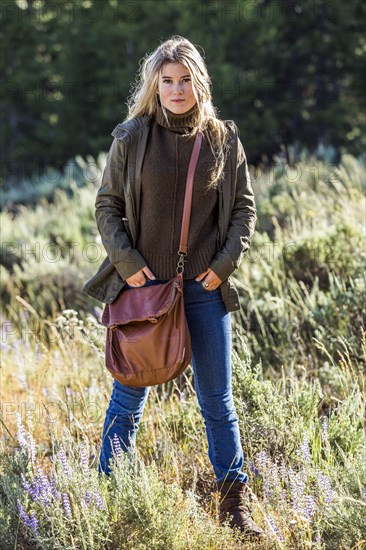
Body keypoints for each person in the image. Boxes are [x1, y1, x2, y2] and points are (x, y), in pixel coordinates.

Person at [82, 35, 263, 538]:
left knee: (218, 403)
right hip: (144, 289)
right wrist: (128, 262)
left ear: (198, 82)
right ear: (155, 85)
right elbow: (107, 205)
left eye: (185, 80)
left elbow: (244, 210)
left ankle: (233, 506)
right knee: (127, 400)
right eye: (168, 81)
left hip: (204, 290)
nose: (177, 89)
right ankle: (111, 498)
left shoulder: (223, 138)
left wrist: (223, 265)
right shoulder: (132, 136)